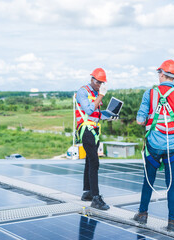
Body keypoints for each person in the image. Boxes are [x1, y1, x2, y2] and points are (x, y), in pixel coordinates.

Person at [133, 60, 174, 231]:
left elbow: (140, 120)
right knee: (172, 184)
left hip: (153, 145)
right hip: (173, 146)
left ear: (161, 74)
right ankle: (172, 222)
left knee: (148, 181)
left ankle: (143, 214)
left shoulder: (150, 93)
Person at [75, 67, 115, 210]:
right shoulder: (83, 91)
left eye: (102, 83)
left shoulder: (95, 92)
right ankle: (96, 198)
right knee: (94, 162)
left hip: (94, 130)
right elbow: (89, 110)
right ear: (92, 79)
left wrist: (108, 116)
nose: (100, 85)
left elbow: (96, 113)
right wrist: (101, 96)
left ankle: (88, 192)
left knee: (89, 160)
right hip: (86, 130)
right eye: (98, 82)